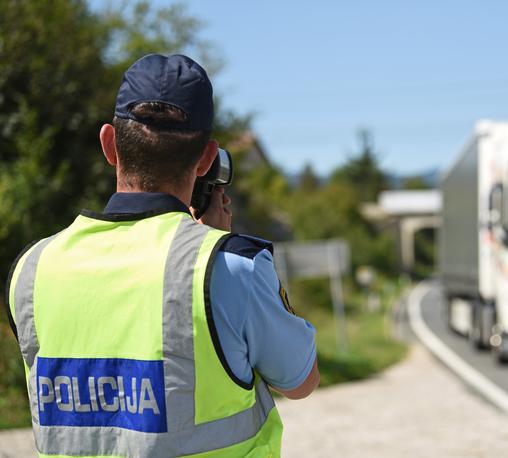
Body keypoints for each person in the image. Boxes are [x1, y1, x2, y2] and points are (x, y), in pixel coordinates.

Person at [6, 54, 318, 457]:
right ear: (207, 159)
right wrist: (211, 248)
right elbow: (300, 380)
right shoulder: (230, 267)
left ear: (109, 144)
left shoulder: (32, 268)